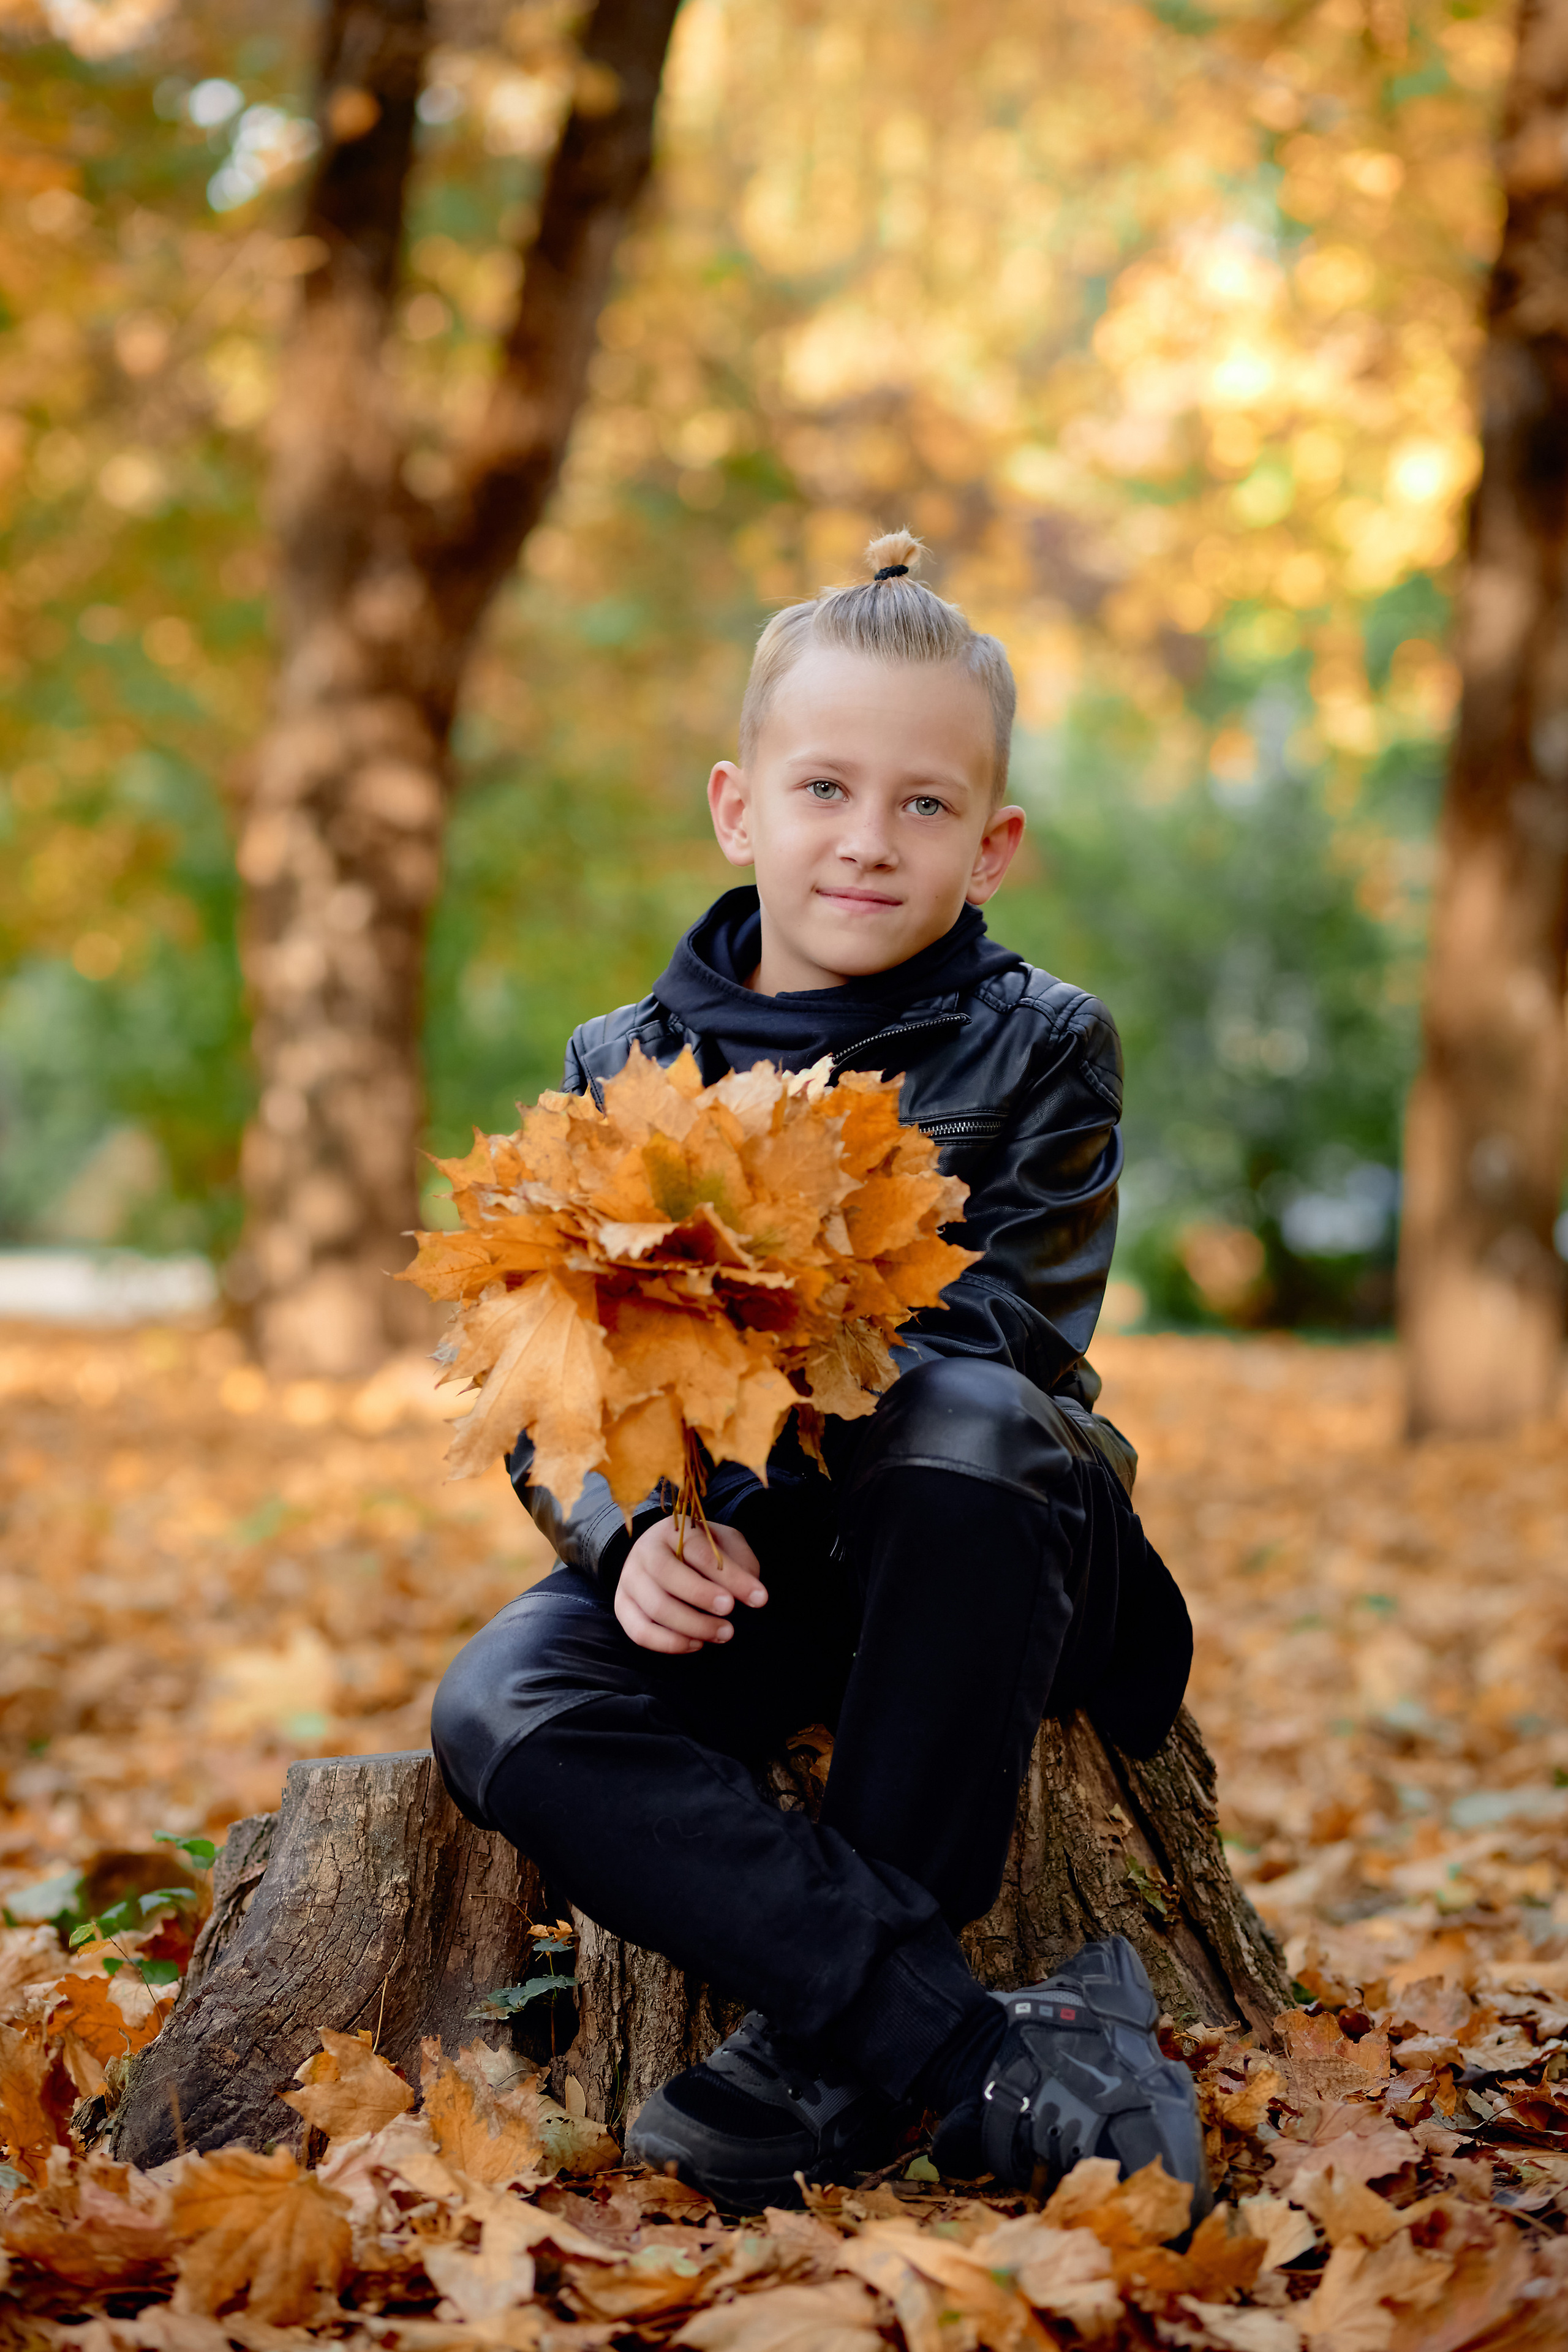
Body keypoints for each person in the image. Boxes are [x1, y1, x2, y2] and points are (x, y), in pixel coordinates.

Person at [432, 531, 1204, 2212]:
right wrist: (634, 1531)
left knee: (968, 1415)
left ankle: (841, 2054)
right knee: (502, 1705)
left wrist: (773, 1315)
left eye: (925, 806)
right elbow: (548, 1363)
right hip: (747, 1562)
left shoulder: (1042, 1040)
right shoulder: (622, 1061)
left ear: (993, 845)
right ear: (739, 806)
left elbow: (1012, 1341)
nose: (868, 839)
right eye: (826, 788)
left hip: (972, 1548)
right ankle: (962, 2048)